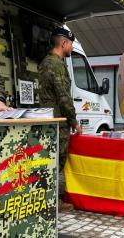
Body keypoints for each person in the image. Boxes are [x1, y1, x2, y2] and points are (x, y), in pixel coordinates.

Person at [38, 27, 82, 211]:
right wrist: (74, 121)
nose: (71, 47)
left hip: (48, 119)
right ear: (63, 43)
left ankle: (46, 199)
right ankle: (52, 202)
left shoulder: (45, 62)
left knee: (48, 161)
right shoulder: (56, 64)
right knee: (56, 162)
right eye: (71, 44)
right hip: (58, 121)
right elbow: (64, 97)